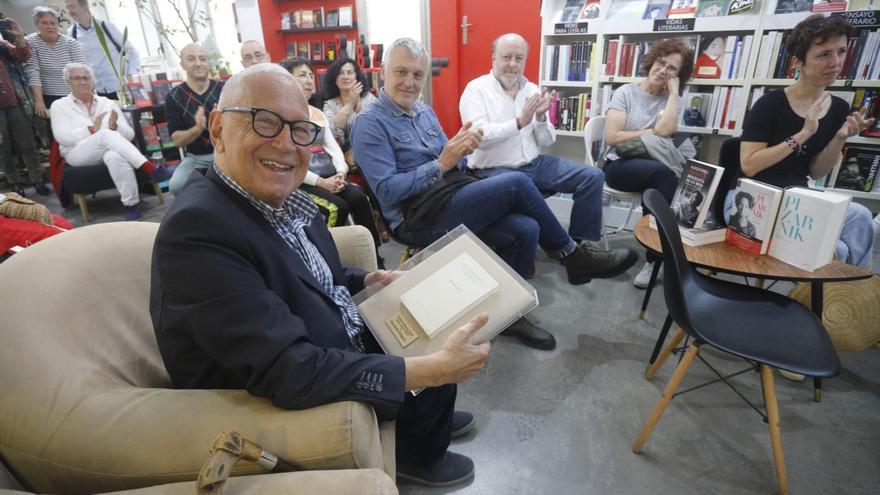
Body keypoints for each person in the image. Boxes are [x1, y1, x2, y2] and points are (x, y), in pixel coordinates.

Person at [151, 63, 489, 488]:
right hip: (290, 374)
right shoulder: (199, 230)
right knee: (428, 359)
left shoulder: (274, 197)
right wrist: (428, 372)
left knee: (429, 322)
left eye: (300, 130)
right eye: (266, 122)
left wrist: (363, 280)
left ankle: (424, 416)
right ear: (217, 129)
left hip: (319, 329)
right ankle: (419, 453)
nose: (287, 144)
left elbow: (308, 269)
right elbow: (288, 369)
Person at [352, 38, 638, 351]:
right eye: (401, 72)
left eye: (418, 75)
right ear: (382, 73)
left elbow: (454, 159)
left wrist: (461, 151)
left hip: (452, 192)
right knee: (516, 182)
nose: (409, 82)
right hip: (415, 217)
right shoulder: (369, 123)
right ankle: (572, 256)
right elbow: (387, 191)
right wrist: (441, 163)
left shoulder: (423, 111)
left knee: (527, 228)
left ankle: (509, 314)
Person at [736, 14, 875, 268]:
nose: (836, 63)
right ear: (798, 62)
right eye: (824, 55)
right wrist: (803, 134)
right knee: (838, 250)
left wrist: (840, 138)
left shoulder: (838, 107)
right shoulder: (769, 104)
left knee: (862, 217)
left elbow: (815, 170)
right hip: (756, 198)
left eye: (841, 52)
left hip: (800, 197)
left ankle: (851, 299)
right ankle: (821, 301)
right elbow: (750, 166)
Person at [459, 33, 619, 251]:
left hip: (534, 164)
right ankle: (559, 249)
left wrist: (542, 119)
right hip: (493, 171)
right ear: (493, 58)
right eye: (506, 57)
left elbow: (546, 140)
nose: (513, 65)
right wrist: (518, 122)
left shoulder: (532, 89)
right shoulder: (475, 89)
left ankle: (582, 246)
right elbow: (478, 136)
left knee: (592, 176)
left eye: (519, 58)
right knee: (523, 192)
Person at [603, 38, 694, 288]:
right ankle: (657, 258)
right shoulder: (626, 93)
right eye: (661, 62)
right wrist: (648, 132)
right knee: (665, 176)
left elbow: (664, 131)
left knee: (658, 180)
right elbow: (612, 137)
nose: (663, 70)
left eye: (672, 68)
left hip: (653, 166)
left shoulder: (672, 100)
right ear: (652, 61)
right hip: (619, 165)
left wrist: (674, 93)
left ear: (679, 75)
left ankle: (661, 250)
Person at [280, 57, 384, 267]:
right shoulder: (283, 116)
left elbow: (332, 147)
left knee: (357, 197)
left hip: (329, 176)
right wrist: (321, 182)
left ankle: (373, 256)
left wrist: (340, 172)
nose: (309, 80)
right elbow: (290, 162)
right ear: (286, 80)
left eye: (310, 75)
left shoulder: (316, 113)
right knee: (337, 207)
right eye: (302, 75)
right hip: (302, 181)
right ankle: (328, 262)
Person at [51, 63, 173, 220]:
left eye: (86, 78)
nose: (82, 82)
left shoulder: (108, 103)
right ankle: (151, 169)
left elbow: (129, 134)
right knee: (105, 135)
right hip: (77, 153)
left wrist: (115, 128)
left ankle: (131, 205)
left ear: (92, 80)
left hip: (108, 147)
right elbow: (62, 137)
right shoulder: (59, 106)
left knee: (114, 155)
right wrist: (90, 130)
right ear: (68, 82)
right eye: (77, 78)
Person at [0, 15, 48, 197]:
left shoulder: (4, 45)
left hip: (14, 102)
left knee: (27, 142)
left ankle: (37, 180)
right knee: (3, 147)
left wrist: (19, 36)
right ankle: (14, 183)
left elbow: (22, 55)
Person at [165, 43, 222, 195]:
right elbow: (177, 140)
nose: (198, 63)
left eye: (202, 59)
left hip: (225, 152)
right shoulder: (174, 96)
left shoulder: (224, 89)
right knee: (176, 186)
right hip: (196, 157)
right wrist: (199, 127)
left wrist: (219, 121)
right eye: (191, 59)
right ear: (182, 64)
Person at [63, 0, 140, 100]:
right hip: (96, 92)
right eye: (67, 8)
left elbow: (131, 51)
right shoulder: (71, 33)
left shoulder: (106, 27)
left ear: (85, 7)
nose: (69, 11)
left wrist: (130, 76)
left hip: (121, 88)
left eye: (72, 7)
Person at [23, 6, 84, 120]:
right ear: (37, 25)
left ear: (57, 24)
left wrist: (84, 95)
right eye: (44, 23)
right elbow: (33, 71)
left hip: (73, 94)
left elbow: (81, 71)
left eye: (53, 23)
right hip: (47, 96)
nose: (50, 26)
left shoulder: (71, 43)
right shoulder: (30, 42)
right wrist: (39, 101)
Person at [322, 57, 377, 149]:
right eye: (340, 73)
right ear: (334, 79)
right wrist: (350, 105)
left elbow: (376, 129)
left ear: (357, 77)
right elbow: (328, 135)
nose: (345, 77)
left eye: (350, 72)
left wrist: (359, 108)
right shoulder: (330, 105)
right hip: (341, 155)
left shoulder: (370, 99)